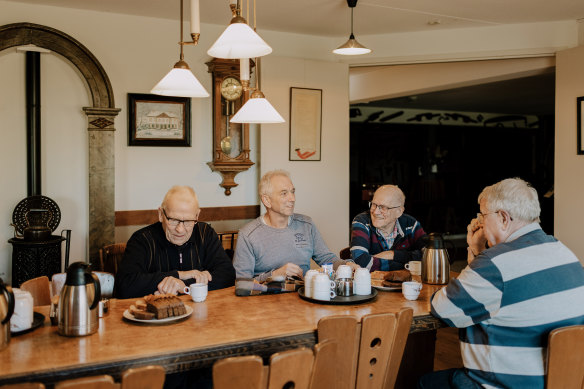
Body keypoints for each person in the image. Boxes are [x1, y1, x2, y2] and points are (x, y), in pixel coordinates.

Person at [420, 178, 584, 389]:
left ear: (504, 218)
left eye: (482, 215)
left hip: (502, 385)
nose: (479, 222)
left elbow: (444, 308)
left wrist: (479, 253)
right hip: (562, 382)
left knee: (425, 382)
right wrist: (482, 254)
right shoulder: (564, 253)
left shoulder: (495, 263)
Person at [233, 170, 358, 281]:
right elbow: (241, 284)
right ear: (266, 200)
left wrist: (346, 265)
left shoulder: (306, 224)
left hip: (304, 297)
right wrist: (274, 275)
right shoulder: (248, 234)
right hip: (266, 302)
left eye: (293, 192)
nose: (292, 198)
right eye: (284, 193)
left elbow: (326, 258)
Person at [114, 185, 235, 299]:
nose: (180, 229)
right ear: (161, 214)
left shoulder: (205, 233)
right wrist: (179, 274)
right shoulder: (142, 239)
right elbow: (124, 286)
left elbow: (227, 275)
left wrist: (184, 286)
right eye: (173, 220)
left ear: (197, 216)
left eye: (188, 221)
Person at [350, 185, 426, 271]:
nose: (375, 212)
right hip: (371, 284)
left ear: (399, 212)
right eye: (374, 204)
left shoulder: (411, 224)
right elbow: (361, 263)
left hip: (406, 284)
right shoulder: (362, 221)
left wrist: (393, 254)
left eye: (383, 207)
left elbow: (429, 256)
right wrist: (410, 265)